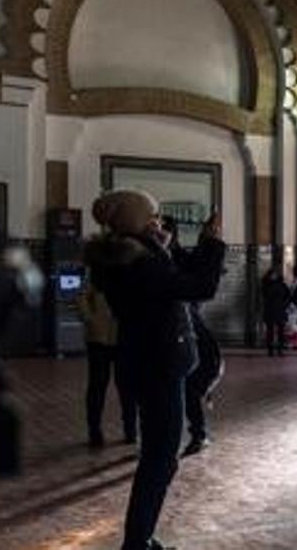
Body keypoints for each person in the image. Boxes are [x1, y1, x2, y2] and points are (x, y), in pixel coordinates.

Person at [85, 190, 226, 550]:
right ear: (135, 221)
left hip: (148, 362)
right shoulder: (139, 263)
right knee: (160, 460)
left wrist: (165, 247)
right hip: (158, 365)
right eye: (152, 215)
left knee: (158, 456)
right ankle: (137, 542)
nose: (158, 220)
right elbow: (199, 286)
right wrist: (212, 243)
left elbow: (176, 278)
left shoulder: (129, 257)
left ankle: (140, 538)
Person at [160, 216, 225, 458]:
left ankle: (197, 434)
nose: (162, 232)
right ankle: (183, 437)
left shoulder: (174, 258)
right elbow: (203, 284)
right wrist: (211, 243)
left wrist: (208, 242)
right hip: (173, 336)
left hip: (184, 335)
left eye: (166, 228)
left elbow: (201, 281)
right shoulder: (157, 261)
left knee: (188, 387)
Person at [79, 268, 137, 448]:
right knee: (97, 386)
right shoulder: (97, 270)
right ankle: (94, 431)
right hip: (98, 338)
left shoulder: (134, 270)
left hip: (125, 338)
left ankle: (131, 430)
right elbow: (82, 296)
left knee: (128, 387)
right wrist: (90, 318)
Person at [261, 267, 291, 356]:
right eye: (272, 275)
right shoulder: (266, 285)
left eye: (275, 275)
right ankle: (270, 349)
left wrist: (285, 305)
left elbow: (288, 296)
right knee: (270, 331)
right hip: (270, 310)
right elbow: (265, 296)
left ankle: (280, 349)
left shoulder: (282, 285)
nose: (273, 276)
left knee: (281, 331)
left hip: (280, 310)